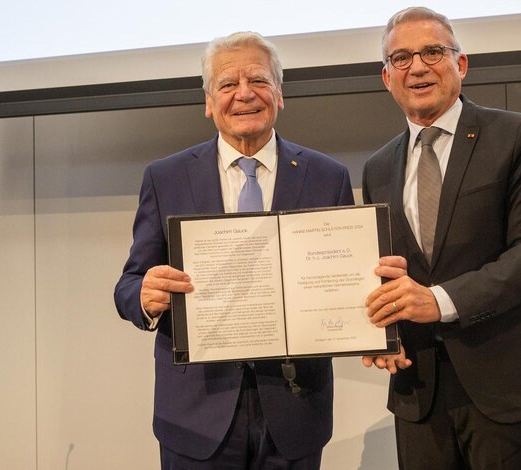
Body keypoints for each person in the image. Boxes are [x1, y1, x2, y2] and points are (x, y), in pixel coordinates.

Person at [114, 32, 353, 469]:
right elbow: (128, 285)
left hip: (294, 410)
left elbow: (344, 283)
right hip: (195, 415)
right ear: (209, 101)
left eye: (259, 81)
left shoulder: (327, 177)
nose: (244, 94)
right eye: (227, 85)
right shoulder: (165, 177)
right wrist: (144, 298)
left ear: (279, 95)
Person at [360, 7, 521, 470]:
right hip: (419, 390)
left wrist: (438, 301)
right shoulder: (378, 165)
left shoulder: (517, 135)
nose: (417, 66)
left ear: (460, 64)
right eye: (401, 58)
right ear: (387, 78)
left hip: (507, 387)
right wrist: (380, 329)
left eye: (432, 52)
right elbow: (385, 270)